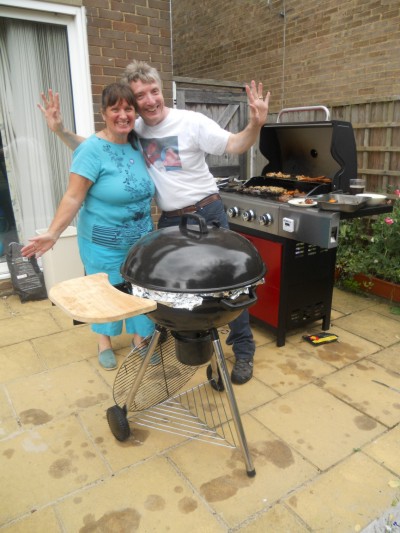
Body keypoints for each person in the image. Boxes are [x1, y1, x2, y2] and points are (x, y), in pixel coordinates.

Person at [38, 61, 270, 384]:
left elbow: (234, 144)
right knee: (175, 289)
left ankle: (243, 351)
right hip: (171, 221)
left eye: (154, 91)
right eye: (140, 96)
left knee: (229, 288)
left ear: (162, 91)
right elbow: (97, 146)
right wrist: (60, 131)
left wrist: (255, 125)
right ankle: (187, 340)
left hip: (207, 213)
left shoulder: (191, 122)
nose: (149, 100)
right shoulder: (136, 130)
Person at [21, 83, 156, 371]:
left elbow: (105, 148)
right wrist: (54, 231)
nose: (123, 115)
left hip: (141, 239)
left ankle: (139, 339)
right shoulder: (91, 150)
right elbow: (73, 195)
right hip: (103, 242)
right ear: (103, 113)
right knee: (107, 293)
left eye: (128, 109)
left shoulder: (136, 144)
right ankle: (104, 342)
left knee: (139, 290)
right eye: (115, 109)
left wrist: (61, 131)